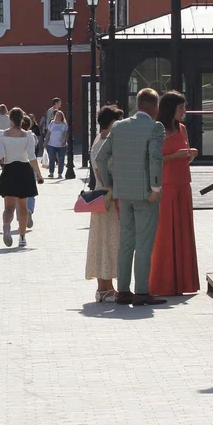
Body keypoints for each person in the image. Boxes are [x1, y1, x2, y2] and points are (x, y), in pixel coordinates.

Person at [94, 88, 168, 306]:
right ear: (155, 106)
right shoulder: (155, 127)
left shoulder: (119, 126)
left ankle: (124, 291)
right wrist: (155, 188)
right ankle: (142, 292)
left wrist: (110, 185)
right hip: (145, 194)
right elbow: (155, 158)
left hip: (123, 194)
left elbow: (100, 158)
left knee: (126, 242)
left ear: (138, 104)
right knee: (144, 243)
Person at [150, 91, 200, 296]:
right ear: (172, 108)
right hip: (167, 185)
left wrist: (190, 155)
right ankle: (162, 282)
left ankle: (183, 282)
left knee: (183, 231)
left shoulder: (182, 129)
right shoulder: (157, 130)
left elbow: (184, 158)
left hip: (183, 184)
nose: (185, 111)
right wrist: (174, 156)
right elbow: (153, 160)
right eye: (182, 107)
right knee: (165, 233)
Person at [85, 106, 122, 302]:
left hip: (99, 198)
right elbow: (102, 171)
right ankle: (106, 287)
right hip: (108, 197)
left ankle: (104, 287)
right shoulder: (106, 143)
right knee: (109, 242)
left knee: (101, 242)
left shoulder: (97, 139)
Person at [0, 108, 44, 249]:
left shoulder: (2, 134)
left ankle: (6, 226)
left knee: (8, 206)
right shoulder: (28, 135)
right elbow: (32, 157)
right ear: (22, 119)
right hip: (24, 170)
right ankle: (22, 237)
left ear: (10, 119)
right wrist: (39, 174)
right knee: (22, 206)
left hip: (9, 170)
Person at [45, 110, 69, 178]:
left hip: (62, 145)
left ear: (62, 117)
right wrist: (45, 142)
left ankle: (59, 173)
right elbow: (48, 133)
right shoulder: (52, 123)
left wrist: (64, 141)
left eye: (59, 115)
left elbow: (65, 134)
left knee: (61, 159)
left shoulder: (64, 125)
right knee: (52, 158)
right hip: (52, 144)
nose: (58, 116)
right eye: (57, 115)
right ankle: (51, 172)